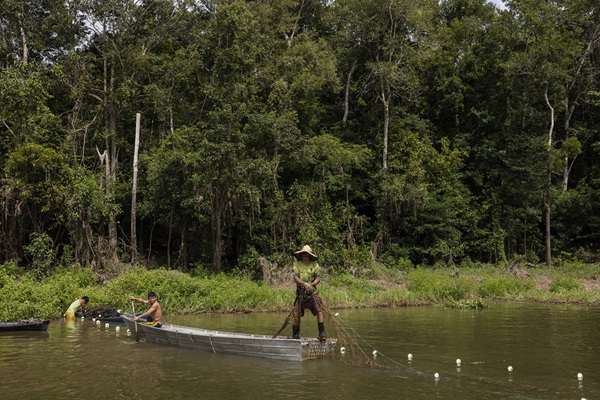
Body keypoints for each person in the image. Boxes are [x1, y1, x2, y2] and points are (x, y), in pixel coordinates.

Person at [292, 244, 327, 341]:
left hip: (312, 293)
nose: (305, 255)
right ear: (301, 255)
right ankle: (295, 335)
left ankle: (322, 334)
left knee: (319, 311)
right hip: (300, 294)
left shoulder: (315, 265)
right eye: (303, 254)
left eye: (306, 254)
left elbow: (318, 279)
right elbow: (295, 278)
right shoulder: (297, 264)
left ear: (310, 255)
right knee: (296, 313)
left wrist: (311, 285)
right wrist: (304, 284)